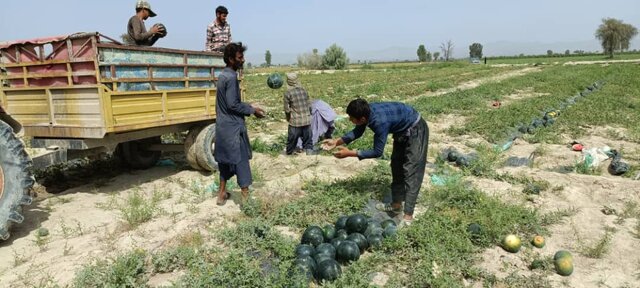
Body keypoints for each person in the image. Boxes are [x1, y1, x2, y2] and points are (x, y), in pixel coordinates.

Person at [322, 99, 429, 223]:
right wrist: (337, 141)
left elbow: (377, 152)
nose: (350, 120)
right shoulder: (367, 111)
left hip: (416, 128)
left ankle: (408, 217)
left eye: (351, 118)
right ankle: (396, 206)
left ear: (362, 119)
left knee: (412, 171)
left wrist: (350, 153)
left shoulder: (379, 122)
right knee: (396, 166)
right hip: (402, 130)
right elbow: (358, 131)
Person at [214, 42, 265, 206]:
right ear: (230, 59)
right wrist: (252, 110)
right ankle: (246, 200)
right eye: (240, 57)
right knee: (241, 160)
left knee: (225, 162)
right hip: (233, 128)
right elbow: (233, 104)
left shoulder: (223, 75)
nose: (243, 60)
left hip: (222, 126)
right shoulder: (231, 77)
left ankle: (221, 194)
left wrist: (249, 106)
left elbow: (230, 103)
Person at [283, 73, 314, 155]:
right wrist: (309, 115)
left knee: (291, 142)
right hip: (306, 121)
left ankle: (289, 155)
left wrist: (288, 118)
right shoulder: (304, 90)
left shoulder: (288, 93)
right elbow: (309, 105)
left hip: (295, 122)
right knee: (308, 142)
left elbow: (287, 109)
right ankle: (309, 155)